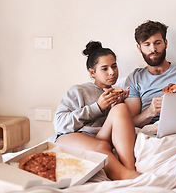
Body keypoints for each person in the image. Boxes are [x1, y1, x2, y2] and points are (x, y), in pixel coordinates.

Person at [52, 41, 141, 180]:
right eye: (104, 69)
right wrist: (97, 107)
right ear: (92, 72)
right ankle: (125, 175)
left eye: (114, 66)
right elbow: (59, 124)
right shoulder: (78, 90)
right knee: (101, 146)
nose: (112, 72)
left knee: (121, 109)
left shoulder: (116, 92)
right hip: (72, 137)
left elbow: (116, 129)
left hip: (100, 138)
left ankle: (130, 169)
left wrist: (117, 104)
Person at [124, 20, 176, 128]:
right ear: (139, 48)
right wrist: (150, 112)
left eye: (157, 43)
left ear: (165, 43)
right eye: (147, 44)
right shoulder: (134, 78)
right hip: (153, 130)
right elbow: (131, 123)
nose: (153, 49)